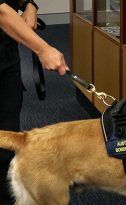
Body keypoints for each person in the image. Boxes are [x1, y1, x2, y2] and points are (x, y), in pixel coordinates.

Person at [0, 1, 68, 204]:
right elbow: (2, 12)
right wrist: (42, 48)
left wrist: (30, 5)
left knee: (7, 140)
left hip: (6, 57)